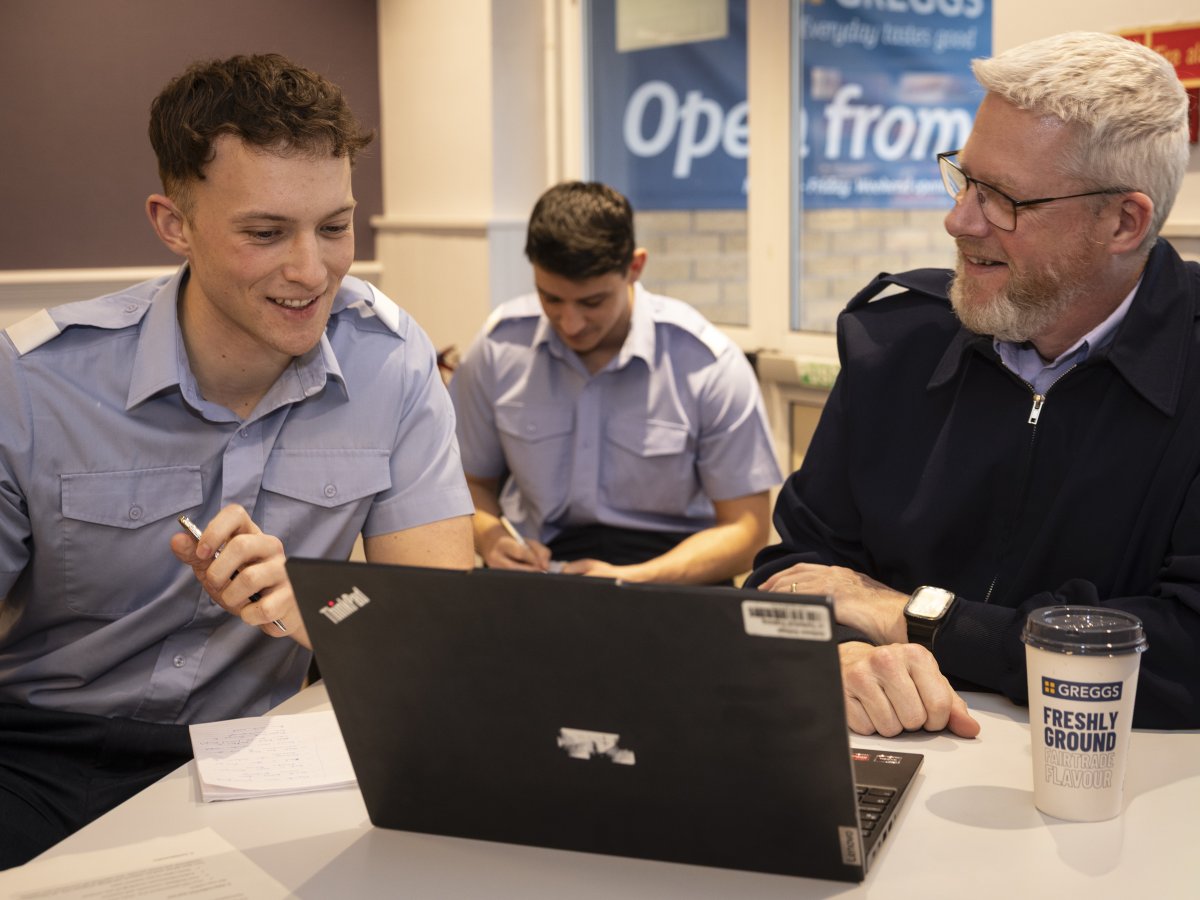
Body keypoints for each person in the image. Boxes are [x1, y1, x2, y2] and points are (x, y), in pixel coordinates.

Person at [0, 54, 474, 868]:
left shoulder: (391, 364)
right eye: (264, 233)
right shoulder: (36, 382)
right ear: (172, 222)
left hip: (262, 761)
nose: (311, 271)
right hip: (37, 760)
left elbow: (442, 642)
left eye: (334, 227)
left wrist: (326, 612)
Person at [748, 31, 1200, 736]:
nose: (958, 220)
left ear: (1122, 221)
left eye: (1003, 200)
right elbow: (795, 575)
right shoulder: (895, 345)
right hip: (892, 753)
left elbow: (1184, 648)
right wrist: (836, 656)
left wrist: (920, 618)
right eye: (964, 178)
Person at [450, 182, 781, 585]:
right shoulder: (499, 348)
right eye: (550, 299)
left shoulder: (707, 364)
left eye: (592, 302)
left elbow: (746, 530)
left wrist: (634, 580)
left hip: (675, 576)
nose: (570, 323)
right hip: (543, 572)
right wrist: (492, 539)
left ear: (635, 268)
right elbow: (467, 483)